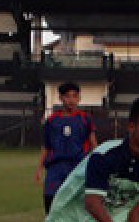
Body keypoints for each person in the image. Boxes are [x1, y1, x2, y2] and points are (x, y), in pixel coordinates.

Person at [36, 81, 98, 214]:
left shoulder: (85, 119)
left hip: (79, 166)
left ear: (79, 98)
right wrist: (40, 168)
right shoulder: (52, 120)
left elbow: (93, 143)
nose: (71, 100)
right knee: (51, 201)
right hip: (56, 167)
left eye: (75, 96)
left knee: (78, 204)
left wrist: (97, 164)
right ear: (61, 98)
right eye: (67, 96)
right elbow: (46, 146)